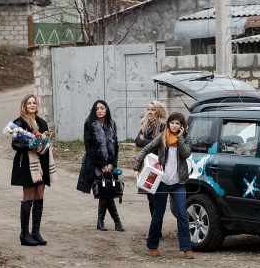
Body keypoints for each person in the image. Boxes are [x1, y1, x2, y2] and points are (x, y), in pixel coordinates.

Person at [133, 112, 194, 259]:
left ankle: (187, 248)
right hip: (162, 182)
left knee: (181, 214)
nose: (174, 126)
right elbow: (146, 149)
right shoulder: (163, 136)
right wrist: (137, 167)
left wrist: (180, 138)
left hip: (178, 183)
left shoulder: (186, 138)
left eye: (177, 123)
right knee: (158, 214)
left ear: (181, 126)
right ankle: (152, 246)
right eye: (172, 123)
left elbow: (186, 154)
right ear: (168, 124)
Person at [10, 94, 56, 246]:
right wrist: (29, 146)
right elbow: (15, 144)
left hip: (41, 163)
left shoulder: (42, 122)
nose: (32, 105)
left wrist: (44, 144)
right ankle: (24, 234)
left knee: (40, 195)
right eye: (29, 103)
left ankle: (36, 231)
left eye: (34, 103)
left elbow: (46, 141)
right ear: (24, 105)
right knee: (28, 196)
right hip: (27, 165)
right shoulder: (19, 122)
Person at [76, 100, 124, 232]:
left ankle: (100, 221)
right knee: (105, 192)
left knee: (105, 191)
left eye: (102, 108)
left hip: (109, 163)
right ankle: (117, 221)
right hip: (95, 163)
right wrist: (102, 164)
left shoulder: (111, 124)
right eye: (97, 108)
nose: (99, 111)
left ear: (106, 109)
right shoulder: (89, 124)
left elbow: (115, 146)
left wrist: (111, 163)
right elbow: (89, 147)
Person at [135, 101, 168, 215]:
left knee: (157, 196)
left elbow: (161, 143)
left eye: (153, 109)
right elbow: (137, 142)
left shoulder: (164, 125)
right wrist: (150, 142)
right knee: (150, 195)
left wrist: (145, 140)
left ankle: (156, 228)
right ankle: (154, 228)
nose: (149, 112)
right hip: (147, 163)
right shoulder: (146, 124)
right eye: (148, 109)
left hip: (159, 164)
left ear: (159, 111)